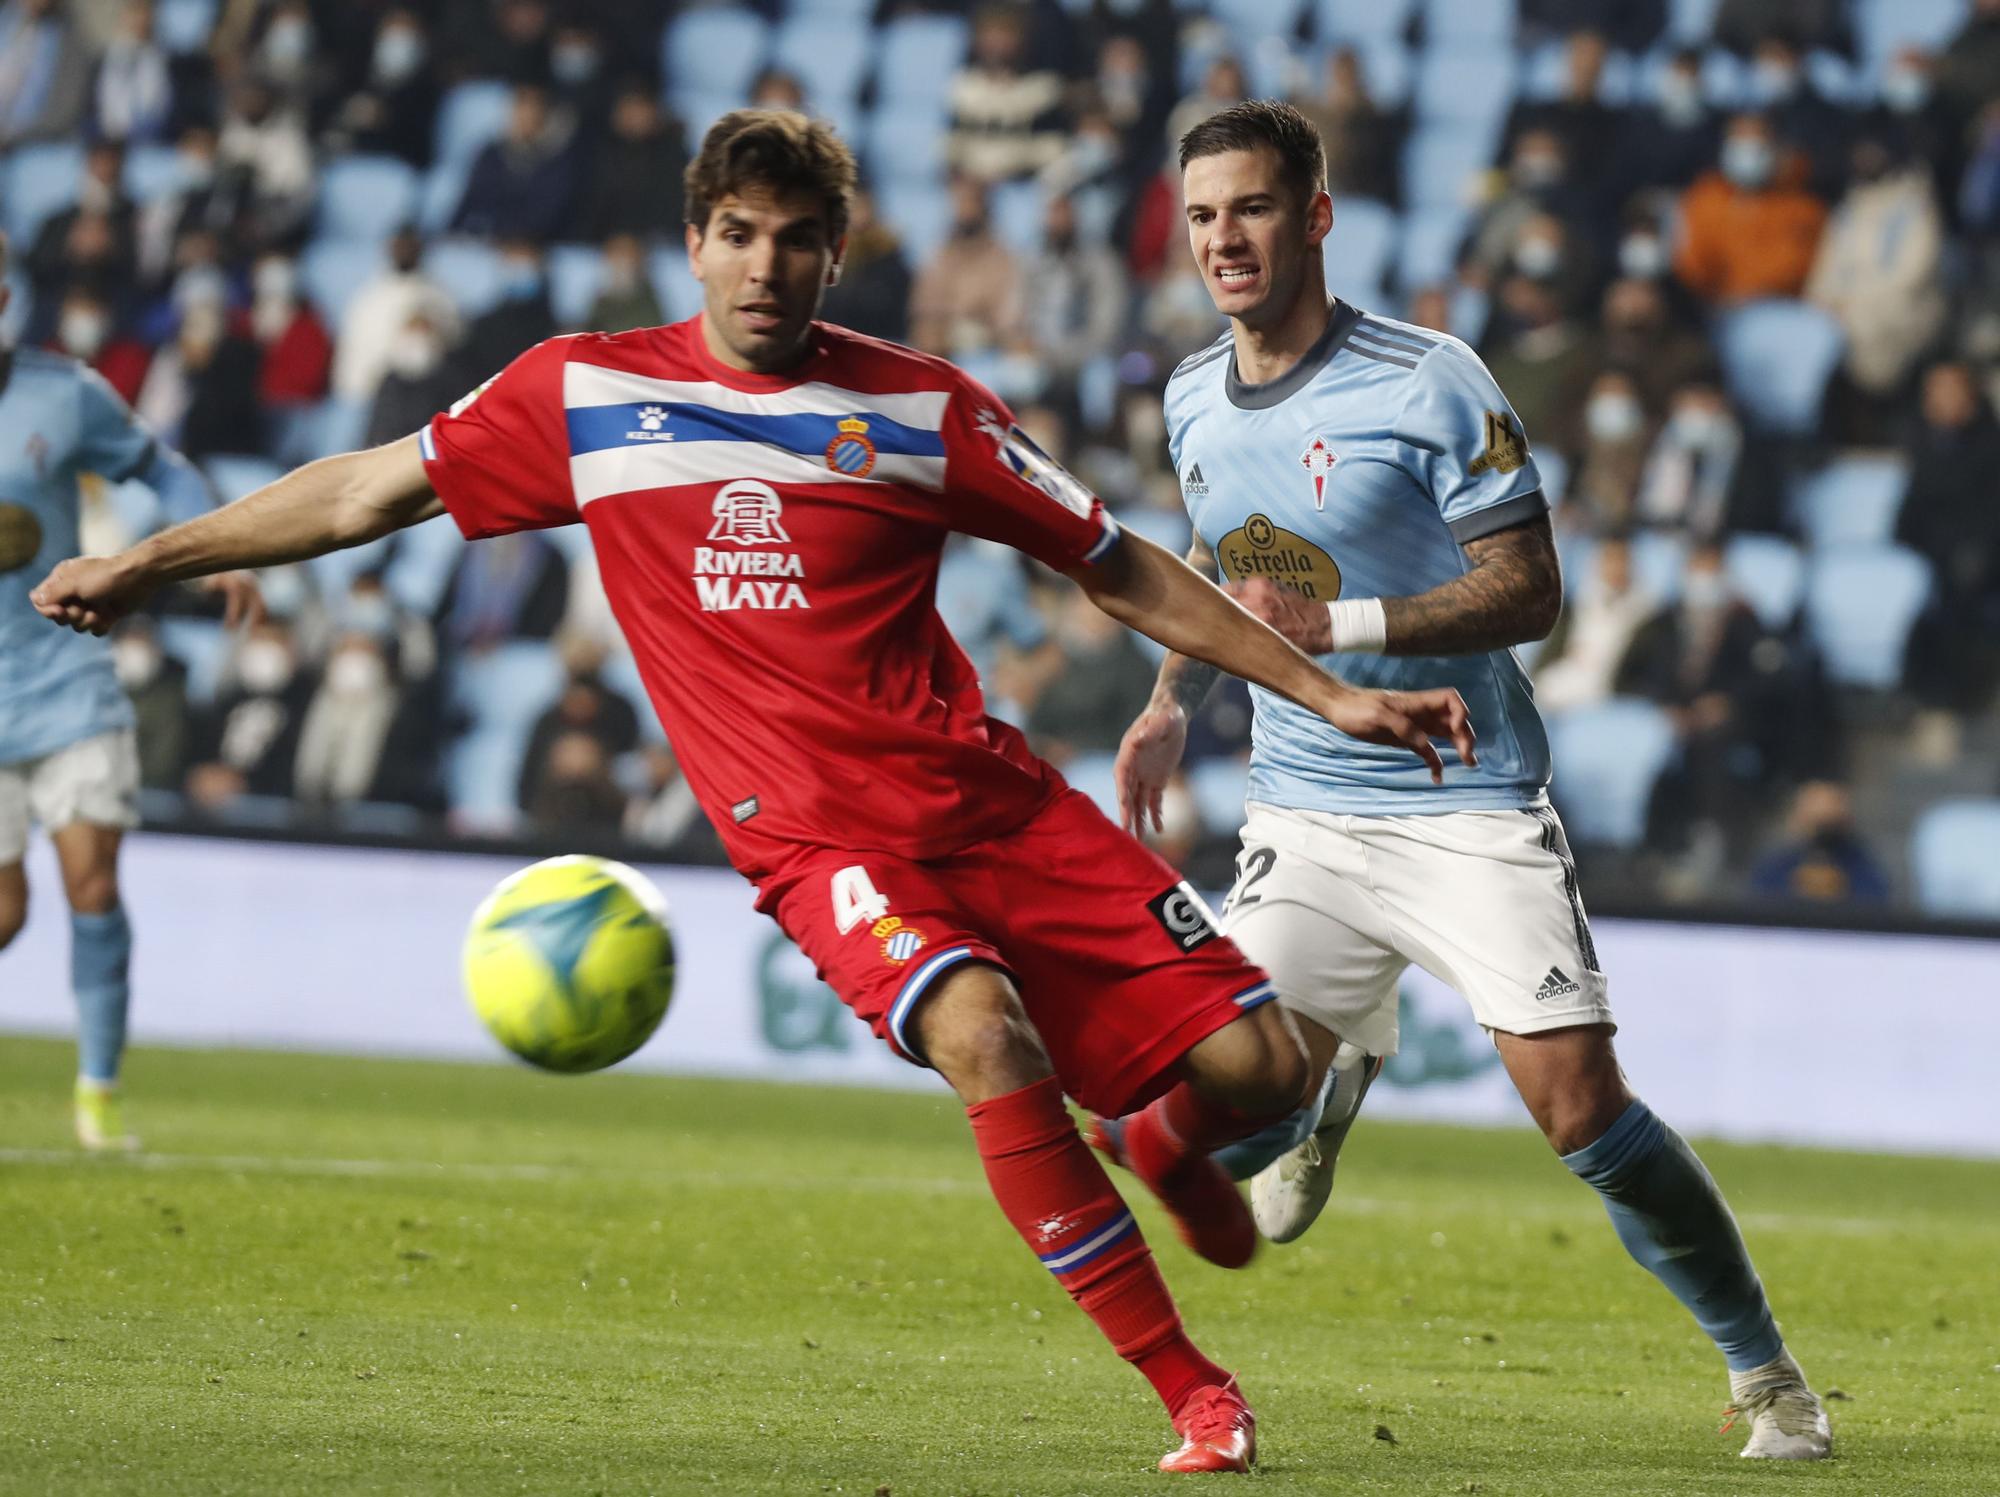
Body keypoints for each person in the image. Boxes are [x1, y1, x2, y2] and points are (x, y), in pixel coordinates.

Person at [32, 109, 1475, 1477]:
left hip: (993, 805)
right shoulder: (589, 394)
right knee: (981, 1032)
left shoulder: (918, 408)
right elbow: (361, 493)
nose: (766, 266)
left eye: (797, 240)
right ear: (695, 241)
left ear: (836, 253)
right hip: (821, 842)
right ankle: (1196, 1390)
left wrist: (1332, 691)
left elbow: (1118, 563)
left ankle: (1153, 1129)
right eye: (739, 233)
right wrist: (149, 560)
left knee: (1264, 1075)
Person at [1105, 101, 1831, 1461]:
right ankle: (1320, 1084)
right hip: (1304, 812)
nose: (1226, 240)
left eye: (1253, 207)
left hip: (1464, 798)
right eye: (1204, 215)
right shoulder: (1191, 393)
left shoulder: (1428, 377)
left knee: (1579, 1110)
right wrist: (1166, 702)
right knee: (1185, 1128)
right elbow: (1221, 569)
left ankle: (1767, 1375)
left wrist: (1347, 629)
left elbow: (1531, 585)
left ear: (1315, 215)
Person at [0, 232, 259, 1151]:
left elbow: (158, 467)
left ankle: (98, 1091)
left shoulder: (63, 392)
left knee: (92, 882)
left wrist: (213, 549)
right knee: (6, 911)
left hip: (67, 679)